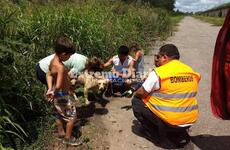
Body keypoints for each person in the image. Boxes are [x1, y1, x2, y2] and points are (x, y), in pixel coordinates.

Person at [132, 44, 201, 147]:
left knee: (136, 101)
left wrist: (136, 92)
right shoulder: (191, 71)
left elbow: (141, 92)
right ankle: (179, 132)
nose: (157, 59)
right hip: (189, 120)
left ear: (164, 57)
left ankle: (154, 134)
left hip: (171, 121)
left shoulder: (159, 72)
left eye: (158, 57)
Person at [45, 36, 81, 146]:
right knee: (72, 117)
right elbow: (60, 84)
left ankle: (61, 132)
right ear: (63, 54)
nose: (69, 58)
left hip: (57, 95)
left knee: (58, 114)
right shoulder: (60, 66)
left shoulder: (53, 61)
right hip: (63, 96)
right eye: (69, 56)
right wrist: (54, 89)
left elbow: (49, 74)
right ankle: (67, 138)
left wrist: (50, 89)